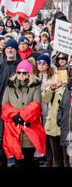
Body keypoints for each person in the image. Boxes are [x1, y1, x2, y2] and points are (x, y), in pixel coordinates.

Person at [1, 60, 46, 167]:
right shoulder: (9, 87)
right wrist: (14, 115)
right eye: (19, 72)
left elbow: (36, 104)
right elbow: (5, 105)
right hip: (13, 129)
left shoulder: (35, 87)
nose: (21, 75)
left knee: (29, 160)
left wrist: (22, 116)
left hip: (30, 130)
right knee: (18, 162)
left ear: (29, 73)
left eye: (24, 72)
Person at [0, 38, 22, 167]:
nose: (9, 50)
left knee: (17, 137)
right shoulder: (1, 66)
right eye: (7, 48)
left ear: (16, 50)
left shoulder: (22, 66)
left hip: (16, 108)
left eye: (12, 48)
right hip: (2, 108)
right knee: (2, 137)